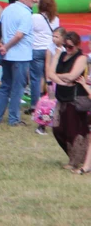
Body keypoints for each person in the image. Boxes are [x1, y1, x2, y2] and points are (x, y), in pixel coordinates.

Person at [0, 0, 38, 126]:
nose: (34, 0)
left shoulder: (8, 9)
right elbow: (19, 35)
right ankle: (13, 118)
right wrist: (6, 46)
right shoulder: (25, 13)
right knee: (18, 88)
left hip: (7, 56)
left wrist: (1, 45)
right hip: (20, 55)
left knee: (5, 85)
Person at [46, 31, 90, 171]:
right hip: (62, 97)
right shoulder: (62, 55)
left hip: (75, 98)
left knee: (74, 132)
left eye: (71, 46)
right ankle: (75, 158)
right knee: (58, 129)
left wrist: (57, 77)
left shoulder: (81, 58)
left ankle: (75, 161)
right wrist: (58, 55)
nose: (68, 48)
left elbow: (72, 76)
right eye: (66, 46)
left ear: (77, 45)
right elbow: (50, 73)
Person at [29, 0, 60, 113]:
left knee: (36, 79)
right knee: (50, 77)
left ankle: (35, 105)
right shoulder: (55, 18)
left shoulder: (35, 17)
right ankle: (51, 102)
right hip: (50, 50)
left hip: (37, 49)